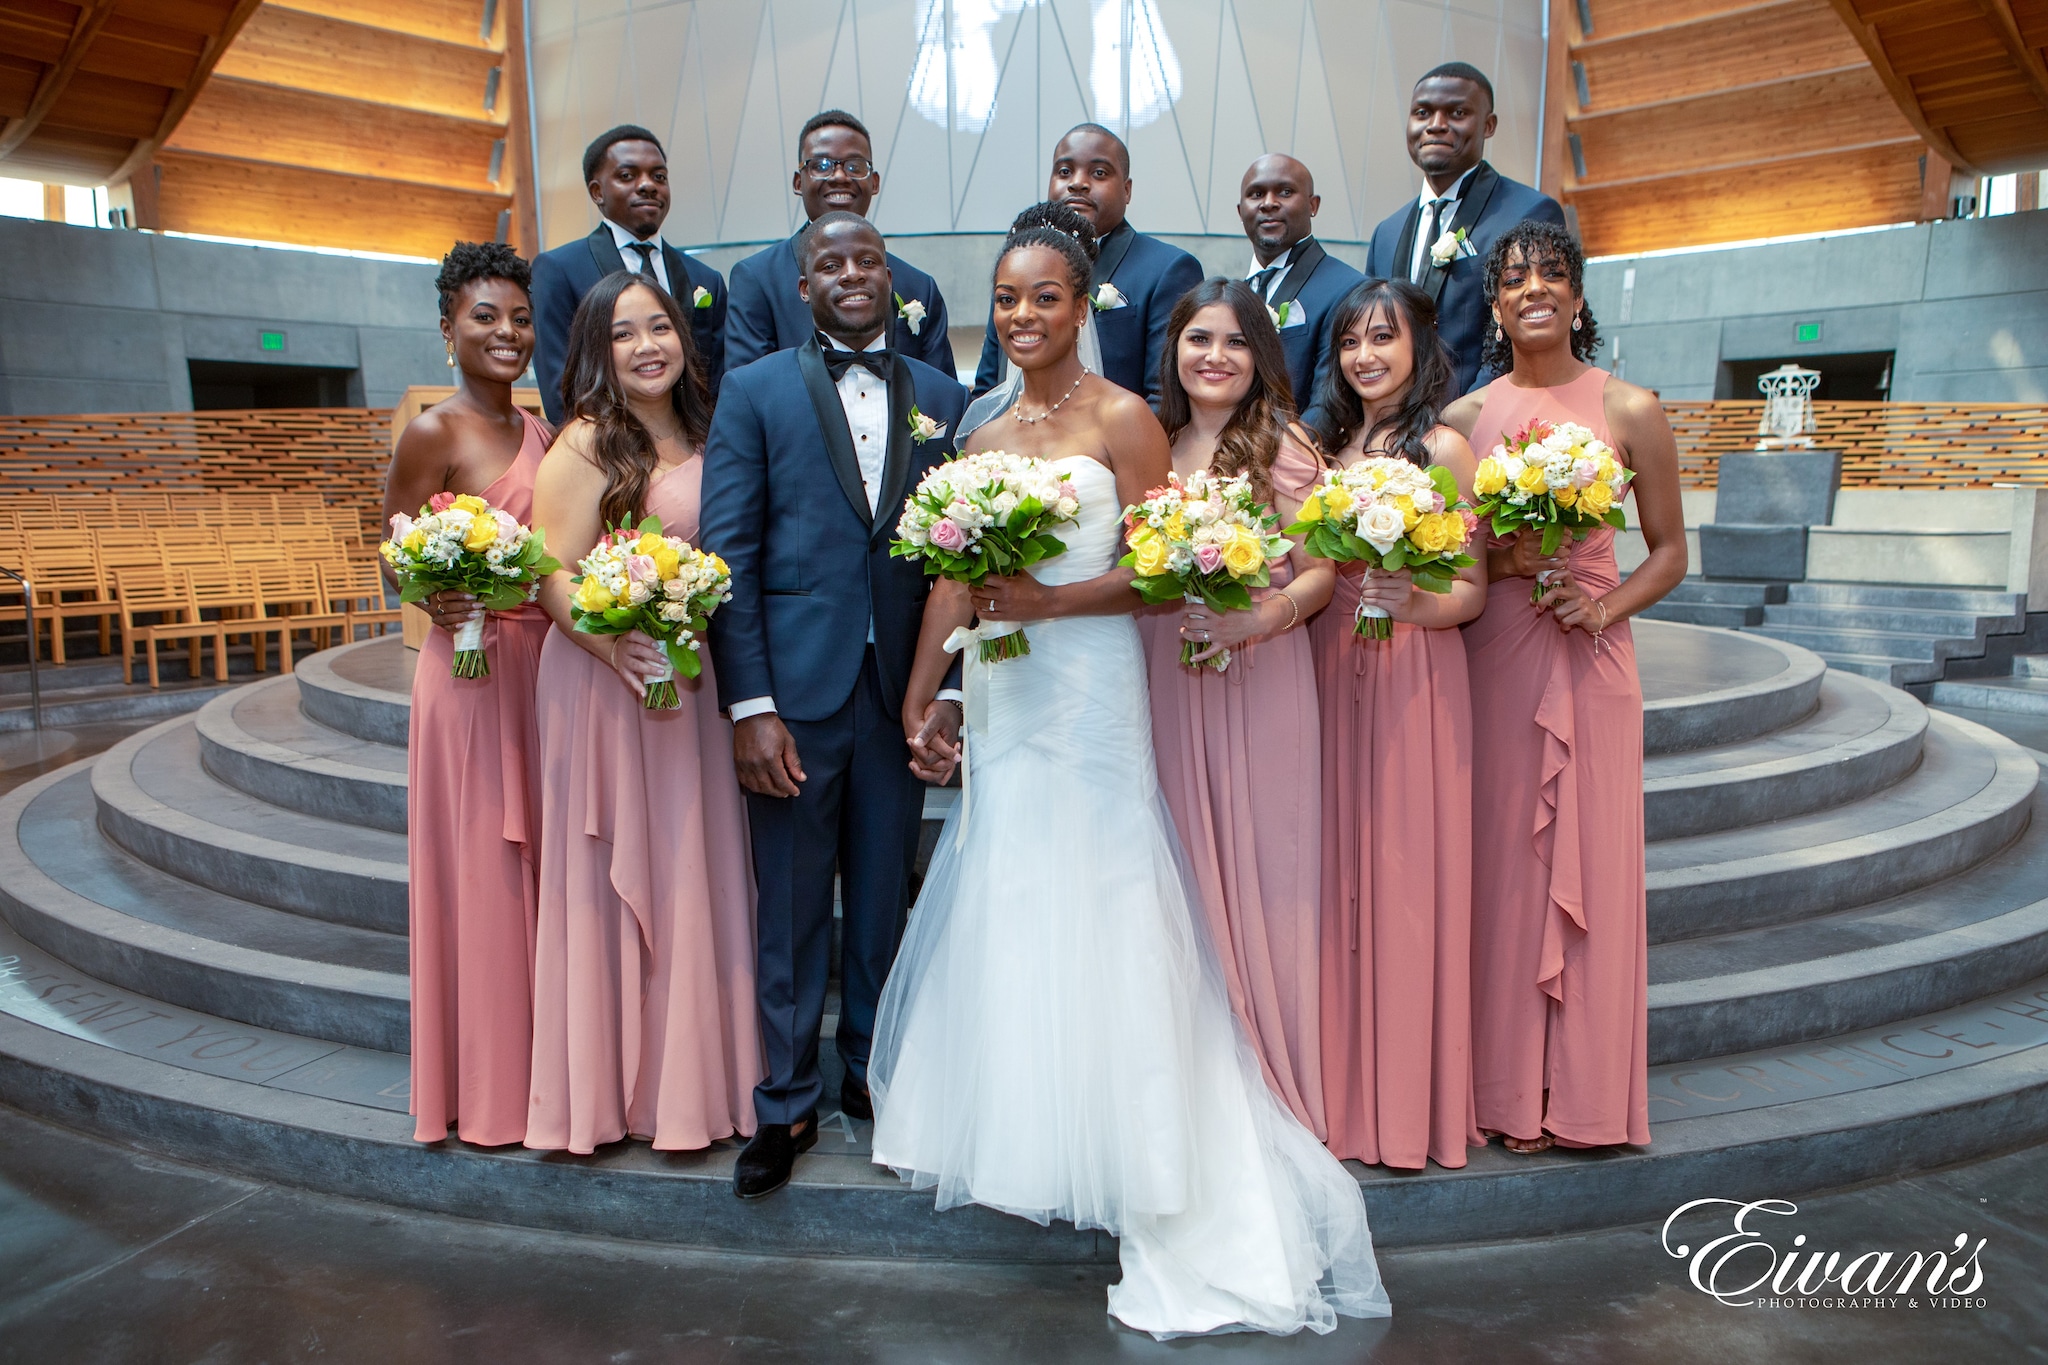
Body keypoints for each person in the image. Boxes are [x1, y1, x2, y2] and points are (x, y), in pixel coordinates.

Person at [870, 213, 1389, 1338]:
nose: (1021, 316)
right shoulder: (980, 434)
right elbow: (955, 587)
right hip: (1007, 693)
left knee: (1107, 881)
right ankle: (1023, 1127)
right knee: (1008, 873)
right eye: (1005, 298)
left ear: (1082, 304)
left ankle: (1138, 1138)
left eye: (1043, 297)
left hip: (1095, 682)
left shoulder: (1124, 423)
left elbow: (1156, 574)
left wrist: (1052, 602)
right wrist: (932, 693)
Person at [699, 212, 969, 1200]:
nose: (851, 274)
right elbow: (728, 553)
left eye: (868, 259)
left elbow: (961, 562)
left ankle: (871, 1077)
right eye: (829, 263)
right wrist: (749, 704)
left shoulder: (946, 400)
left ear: (891, 281)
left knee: (881, 908)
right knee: (792, 905)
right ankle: (784, 1103)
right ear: (802, 285)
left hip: (897, 694)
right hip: (793, 694)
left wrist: (942, 688)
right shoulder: (753, 390)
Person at [1443, 220, 1685, 1153]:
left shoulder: (1630, 408)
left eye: (1551, 274)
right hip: (1501, 655)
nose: (1532, 288)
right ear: (1496, 305)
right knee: (1505, 869)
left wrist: (1604, 606)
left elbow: (1670, 552)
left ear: (1578, 298)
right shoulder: (1467, 419)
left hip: (1591, 653)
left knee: (1589, 860)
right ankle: (1507, 1090)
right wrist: (1506, 564)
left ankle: (1582, 1095)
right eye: (1513, 278)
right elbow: (1460, 556)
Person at [524, 270, 761, 1155]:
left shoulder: (709, 431)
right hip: (608, 681)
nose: (647, 346)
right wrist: (611, 643)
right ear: (597, 349)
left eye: (659, 326)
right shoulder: (586, 443)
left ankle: (691, 1086)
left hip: (688, 685)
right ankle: (605, 1094)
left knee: (691, 869)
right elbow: (550, 571)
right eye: (624, 334)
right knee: (612, 871)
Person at [1145, 277, 1335, 1135]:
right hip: (1167, 677)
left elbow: (1325, 573)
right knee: (1182, 870)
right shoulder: (1154, 445)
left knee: (1265, 875)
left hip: (1263, 674)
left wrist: (1256, 618)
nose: (1214, 357)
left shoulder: (1285, 446)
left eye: (1233, 341)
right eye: (1198, 339)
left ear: (1259, 356)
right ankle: (1189, 1085)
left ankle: (1272, 1077)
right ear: (1174, 350)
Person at [1307, 278, 1486, 1171]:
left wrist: (1408, 599)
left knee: (1406, 881)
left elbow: (1472, 591)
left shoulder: (1445, 447)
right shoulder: (1325, 445)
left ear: (1418, 344)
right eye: (1350, 341)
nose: (1365, 356)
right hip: (1331, 665)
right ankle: (1343, 1094)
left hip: (1413, 671)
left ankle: (1408, 1105)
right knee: (1336, 877)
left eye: (1383, 337)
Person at [385, 241, 553, 1148]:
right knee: (482, 871)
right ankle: (483, 1090)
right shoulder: (432, 432)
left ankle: (542, 1071)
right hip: (467, 671)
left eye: (519, 318)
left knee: (536, 871)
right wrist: (435, 591)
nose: (506, 332)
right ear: (447, 325)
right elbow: (394, 555)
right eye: (485, 316)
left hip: (538, 670)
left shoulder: (545, 431)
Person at [1364, 64, 1565, 396]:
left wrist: (1467, 418)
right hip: (1391, 424)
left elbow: (1526, 334)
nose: (1436, 126)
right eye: (1423, 113)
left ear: (1488, 125)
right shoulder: (1386, 232)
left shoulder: (1528, 212)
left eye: (1457, 112)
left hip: (1482, 421)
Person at [970, 123, 1202, 408]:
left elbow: (1164, 398)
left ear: (1127, 190)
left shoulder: (1168, 269)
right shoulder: (1018, 267)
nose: (1078, 183)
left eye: (1099, 173)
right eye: (1064, 172)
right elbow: (987, 389)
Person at [724, 111, 956, 377]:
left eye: (854, 166)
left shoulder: (919, 286)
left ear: (874, 182)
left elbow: (941, 397)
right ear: (799, 182)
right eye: (821, 165)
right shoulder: (758, 279)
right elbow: (749, 391)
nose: (839, 176)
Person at [532, 125, 729, 423]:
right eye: (628, 176)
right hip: (609, 452)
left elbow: (718, 377)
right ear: (597, 192)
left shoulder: (706, 278)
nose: (648, 185)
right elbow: (560, 383)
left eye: (658, 176)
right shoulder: (559, 269)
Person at [1235, 155, 1363, 411]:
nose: (1268, 204)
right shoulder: (1234, 293)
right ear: (1240, 211)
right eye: (1256, 194)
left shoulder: (1350, 289)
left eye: (1285, 192)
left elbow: (1331, 404)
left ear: (1313, 205)